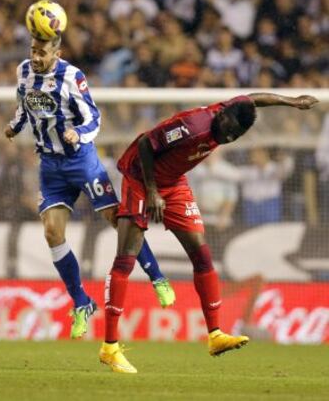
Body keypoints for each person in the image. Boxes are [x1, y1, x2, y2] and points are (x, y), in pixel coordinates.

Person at [99, 92, 318, 373]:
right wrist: (152, 191)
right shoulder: (193, 126)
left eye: (234, 138)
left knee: (201, 254)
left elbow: (254, 98)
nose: (227, 140)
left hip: (174, 182)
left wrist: (291, 102)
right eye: (228, 132)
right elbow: (144, 142)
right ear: (222, 117)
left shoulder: (230, 114)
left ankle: (215, 336)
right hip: (141, 178)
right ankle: (110, 347)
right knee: (126, 259)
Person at [4, 36, 175, 339]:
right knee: (52, 232)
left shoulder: (72, 76)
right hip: (50, 167)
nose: (35, 57)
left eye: (42, 52)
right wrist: (15, 126)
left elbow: (94, 118)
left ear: (57, 53)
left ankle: (157, 276)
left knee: (117, 220)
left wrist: (78, 134)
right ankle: (81, 302)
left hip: (81, 161)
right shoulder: (24, 71)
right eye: (32, 50)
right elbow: (24, 105)